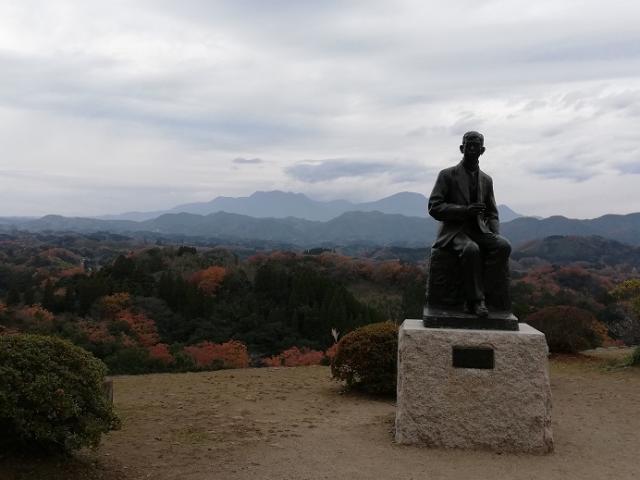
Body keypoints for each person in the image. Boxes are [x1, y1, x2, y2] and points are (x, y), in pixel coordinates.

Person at [428, 131, 511, 317]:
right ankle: (476, 300)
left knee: (503, 246)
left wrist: (494, 233)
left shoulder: (486, 180)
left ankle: (483, 292)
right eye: (468, 145)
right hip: (454, 231)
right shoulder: (447, 175)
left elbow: (492, 213)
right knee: (471, 249)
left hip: (480, 230)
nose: (472, 149)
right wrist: (464, 210)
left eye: (476, 146)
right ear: (461, 148)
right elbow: (434, 207)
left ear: (482, 150)